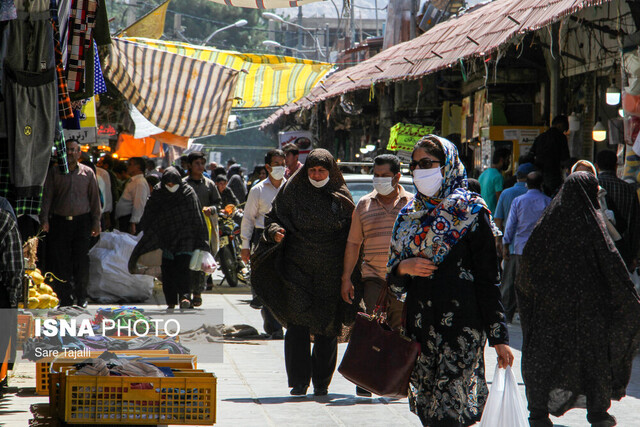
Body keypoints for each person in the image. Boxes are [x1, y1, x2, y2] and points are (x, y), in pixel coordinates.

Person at [387, 135, 513, 426]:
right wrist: (404, 267)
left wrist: (499, 338)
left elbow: (488, 279)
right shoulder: (409, 216)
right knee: (428, 411)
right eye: (415, 165)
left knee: (454, 411)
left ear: (448, 165)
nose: (420, 170)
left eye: (427, 164)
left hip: (462, 329)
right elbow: (393, 281)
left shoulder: (472, 212)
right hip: (420, 328)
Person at [515, 172, 640, 427]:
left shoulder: (546, 225)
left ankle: (538, 413)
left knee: (543, 359)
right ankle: (597, 413)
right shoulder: (594, 227)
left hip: (549, 314)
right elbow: (613, 266)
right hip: (590, 315)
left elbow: (527, 268)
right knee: (593, 361)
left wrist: (534, 303)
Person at [251, 149, 358, 397]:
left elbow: (353, 236)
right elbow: (272, 219)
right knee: (297, 325)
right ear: (305, 170)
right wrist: (275, 232)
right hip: (296, 270)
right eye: (312, 170)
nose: (317, 174)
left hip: (330, 273)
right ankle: (299, 382)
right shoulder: (292, 192)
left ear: (330, 171)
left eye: (322, 170)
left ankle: (321, 382)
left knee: (326, 327)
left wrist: (348, 274)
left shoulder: (341, 197)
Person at [341, 154, 412, 397]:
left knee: (397, 330)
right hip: (372, 277)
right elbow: (353, 244)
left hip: (404, 280)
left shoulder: (412, 204)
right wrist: (346, 278)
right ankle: (364, 380)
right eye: (376, 176)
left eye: (385, 176)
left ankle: (391, 383)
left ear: (397, 177)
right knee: (371, 326)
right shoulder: (363, 205)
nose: (379, 180)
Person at [129, 167, 209, 310]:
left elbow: (196, 216)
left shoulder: (188, 193)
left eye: (174, 184)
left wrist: (202, 240)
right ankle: (171, 301)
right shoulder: (159, 193)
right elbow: (149, 214)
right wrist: (147, 232)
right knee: (168, 272)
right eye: (168, 184)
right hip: (166, 239)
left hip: (186, 238)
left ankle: (185, 297)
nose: (171, 187)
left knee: (183, 269)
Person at [40, 139, 101, 307]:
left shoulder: (88, 173)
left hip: (82, 223)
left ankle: (82, 297)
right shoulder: (54, 173)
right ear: (63, 152)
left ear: (79, 153)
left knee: (81, 261)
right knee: (61, 262)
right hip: (59, 223)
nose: (71, 153)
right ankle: (64, 297)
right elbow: (47, 198)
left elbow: (95, 200)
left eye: (74, 150)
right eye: (67, 150)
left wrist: (97, 223)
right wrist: (44, 220)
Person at [241, 149, 287, 338]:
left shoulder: (290, 188)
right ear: (268, 167)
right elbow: (248, 219)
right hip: (262, 239)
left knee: (284, 283)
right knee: (266, 283)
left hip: (286, 239)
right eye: (276, 164)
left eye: (282, 163)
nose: (280, 167)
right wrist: (245, 246)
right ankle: (273, 327)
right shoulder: (257, 190)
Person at [501, 171, 551, 321]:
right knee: (536, 283)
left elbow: (510, 225)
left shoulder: (518, 201)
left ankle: (507, 315)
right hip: (540, 250)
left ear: (526, 185)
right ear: (541, 185)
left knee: (515, 282)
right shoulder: (548, 201)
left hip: (520, 248)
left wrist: (505, 244)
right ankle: (533, 315)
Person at [494, 162, 536, 322]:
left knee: (508, 282)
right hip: (530, 247)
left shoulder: (506, 193)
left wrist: (499, 240)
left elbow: (499, 218)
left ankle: (505, 314)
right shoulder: (537, 194)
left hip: (510, 244)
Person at [184, 151, 220, 307]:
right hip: (186, 230)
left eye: (202, 163)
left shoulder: (209, 184)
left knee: (201, 261)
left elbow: (218, 204)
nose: (200, 166)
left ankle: (197, 293)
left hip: (205, 230)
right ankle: (185, 294)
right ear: (189, 166)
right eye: (197, 163)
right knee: (186, 260)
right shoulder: (183, 184)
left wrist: (211, 209)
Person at [596, 150, 640, 270]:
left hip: (598, 249)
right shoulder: (629, 190)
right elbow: (635, 225)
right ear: (616, 166)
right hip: (622, 251)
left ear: (596, 166)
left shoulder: (593, 187)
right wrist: (633, 255)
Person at [527, 115, 570, 196]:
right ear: (560, 125)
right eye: (564, 128)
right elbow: (565, 158)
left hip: (539, 172)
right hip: (554, 174)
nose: (563, 131)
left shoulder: (540, 137)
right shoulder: (561, 138)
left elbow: (531, 155)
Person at [115, 157, 150, 235]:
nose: (127, 167)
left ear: (138, 167)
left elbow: (139, 204)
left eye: (130, 164)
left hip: (129, 219)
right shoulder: (134, 181)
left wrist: (133, 223)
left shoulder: (139, 182)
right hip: (126, 219)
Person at [478, 148, 510, 213]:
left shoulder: (483, 174)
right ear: (501, 160)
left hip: (482, 212)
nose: (509, 162)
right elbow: (499, 200)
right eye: (507, 159)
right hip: (492, 214)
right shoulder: (498, 176)